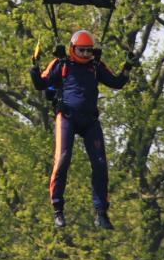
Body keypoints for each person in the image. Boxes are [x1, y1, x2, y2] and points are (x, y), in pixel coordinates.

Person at [30, 29, 133, 229]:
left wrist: (128, 65)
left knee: (100, 164)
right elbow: (40, 83)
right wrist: (35, 65)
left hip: (90, 121)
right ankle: (58, 209)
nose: (86, 54)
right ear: (73, 48)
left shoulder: (95, 66)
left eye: (89, 50)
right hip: (67, 117)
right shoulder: (61, 64)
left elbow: (117, 82)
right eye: (82, 50)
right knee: (63, 159)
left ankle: (101, 213)